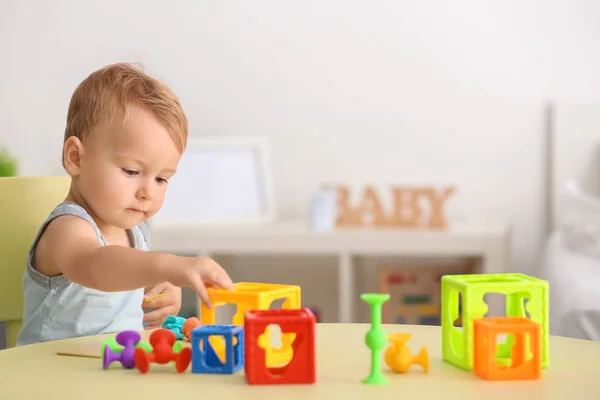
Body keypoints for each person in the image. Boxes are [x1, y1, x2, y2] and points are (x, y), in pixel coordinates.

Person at [16, 63, 234, 346]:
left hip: (111, 373)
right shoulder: (66, 229)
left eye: (161, 179)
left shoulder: (136, 232)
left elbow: (124, 279)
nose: (147, 192)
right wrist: (168, 265)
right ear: (76, 158)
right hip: (49, 381)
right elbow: (97, 266)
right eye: (131, 171)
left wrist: (161, 291)